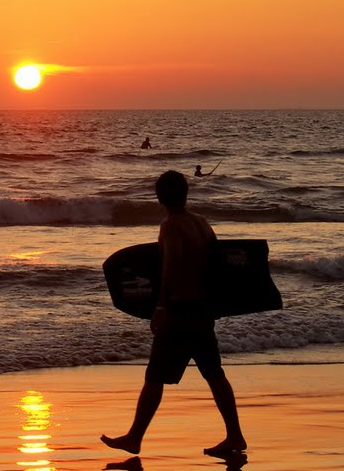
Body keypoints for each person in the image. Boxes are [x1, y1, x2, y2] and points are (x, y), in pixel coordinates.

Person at [101, 170, 246, 456]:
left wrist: (162, 307)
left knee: (154, 377)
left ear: (159, 196)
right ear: (186, 193)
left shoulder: (171, 226)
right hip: (203, 311)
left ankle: (134, 437)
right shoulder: (201, 223)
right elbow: (216, 264)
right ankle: (235, 436)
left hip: (180, 311)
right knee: (215, 374)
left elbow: (172, 267)